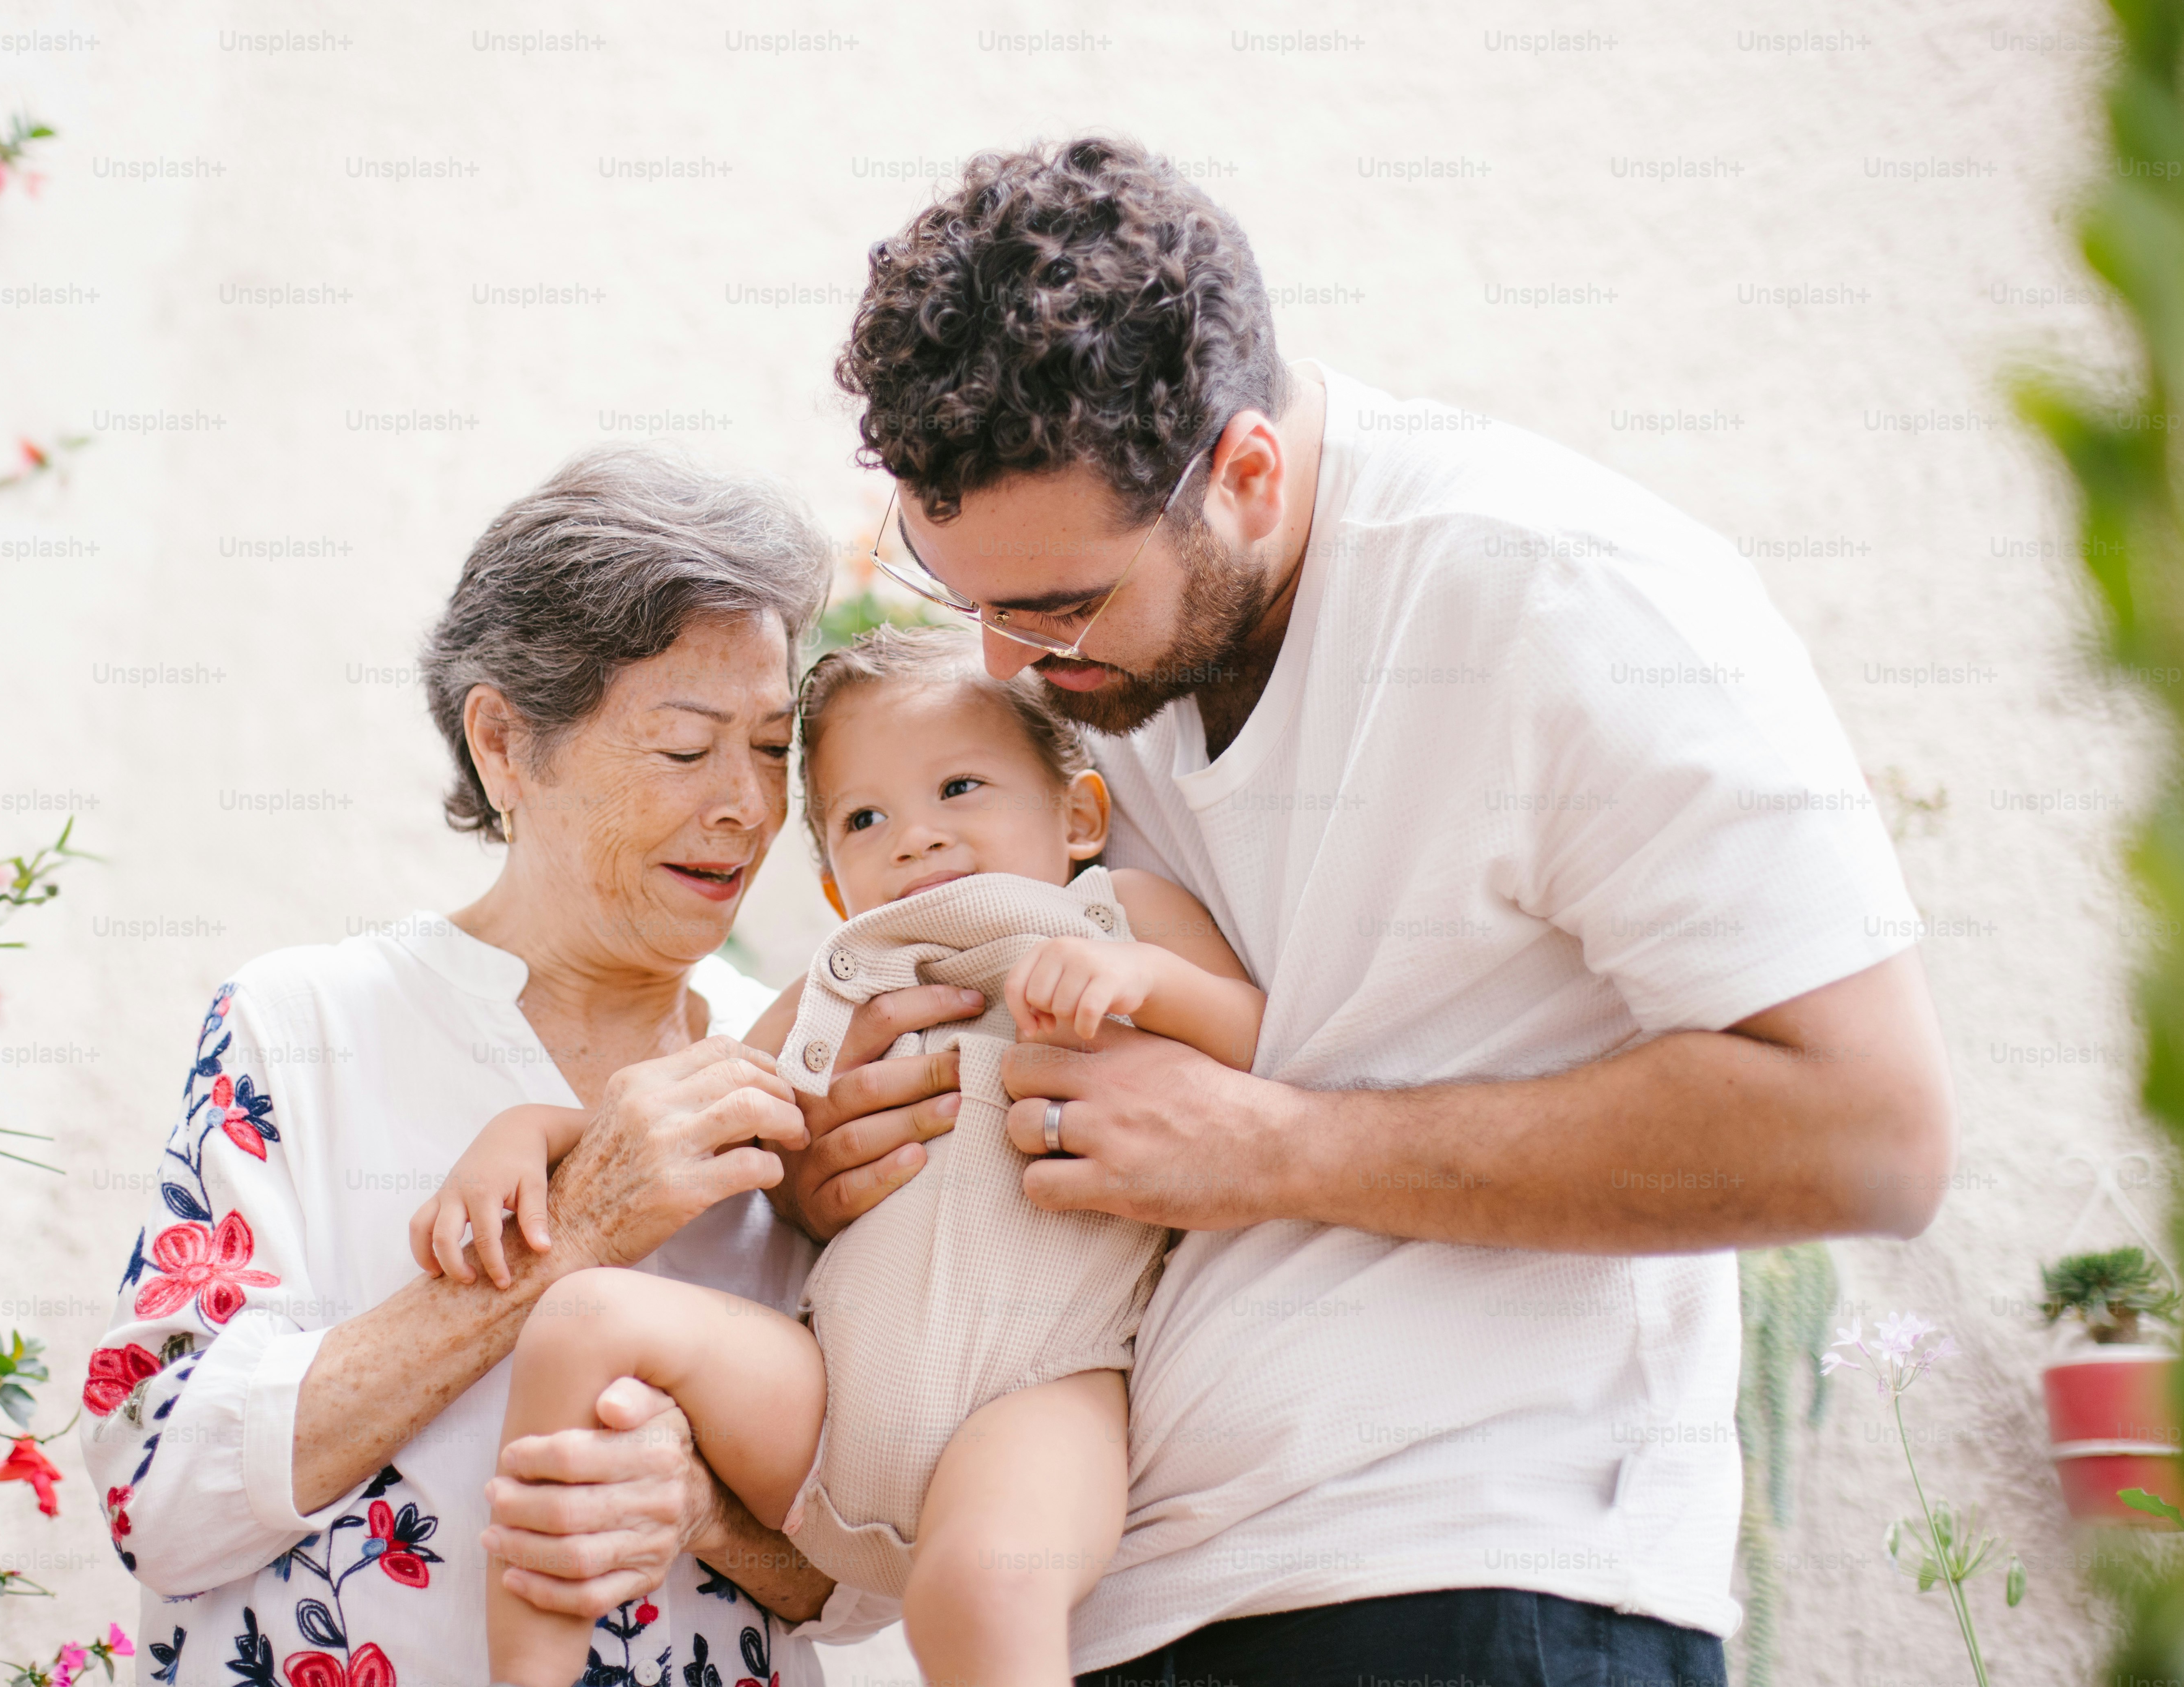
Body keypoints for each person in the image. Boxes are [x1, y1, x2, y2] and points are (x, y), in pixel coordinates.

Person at [815, 137, 1956, 1685]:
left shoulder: (1560, 599)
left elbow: (1872, 1132)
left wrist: (1269, 1147)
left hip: (1471, 1591)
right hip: (1123, 1606)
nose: (1014, 670)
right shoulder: (1096, 673)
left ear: (1248, 475)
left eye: (1063, 606)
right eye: (971, 604)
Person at [75, 446, 950, 1686]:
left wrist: (706, 1508)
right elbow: (160, 1496)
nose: (747, 808)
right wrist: (583, 1223)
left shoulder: (805, 1065)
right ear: (505, 744)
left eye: (769, 748)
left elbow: (891, 1567)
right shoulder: (305, 1024)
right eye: (686, 747)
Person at [425, 625, 1264, 1687]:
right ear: (835, 889)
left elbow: (1266, 1047)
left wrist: (1146, 985)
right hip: (828, 1408)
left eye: (961, 787)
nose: (915, 838)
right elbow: (667, 1114)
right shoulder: (842, 982)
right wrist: (519, 1136)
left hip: (1042, 1391)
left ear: (1080, 815)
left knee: (985, 1589)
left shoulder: (1112, 916)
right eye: (867, 819)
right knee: (584, 1315)